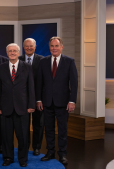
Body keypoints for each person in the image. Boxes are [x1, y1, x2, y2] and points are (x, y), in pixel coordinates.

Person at [36, 37, 78, 165]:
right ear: (49, 47)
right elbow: (39, 83)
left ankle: (63, 154)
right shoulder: (43, 62)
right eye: (52, 46)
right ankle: (50, 152)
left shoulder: (69, 61)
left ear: (61, 47)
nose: (54, 48)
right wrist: (38, 99)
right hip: (47, 102)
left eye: (56, 46)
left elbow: (74, 83)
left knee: (62, 130)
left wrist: (72, 101)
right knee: (48, 128)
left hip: (63, 102)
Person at [0, 43, 35, 167]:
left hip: (22, 107)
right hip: (5, 107)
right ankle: (8, 158)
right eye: (10, 51)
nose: (12, 53)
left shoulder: (27, 67)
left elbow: (31, 88)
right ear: (7, 53)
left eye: (14, 51)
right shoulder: (1, 67)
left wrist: (31, 104)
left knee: (23, 135)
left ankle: (22, 158)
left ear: (18, 52)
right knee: (6, 136)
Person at [19, 38, 44, 156]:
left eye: (31, 46)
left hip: (38, 98)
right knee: (24, 124)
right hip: (23, 98)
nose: (29, 48)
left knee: (38, 124)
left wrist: (39, 99)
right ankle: (25, 146)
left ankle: (36, 147)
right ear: (23, 47)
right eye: (27, 46)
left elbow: (44, 81)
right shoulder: (18, 60)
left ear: (35, 46)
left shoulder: (42, 60)